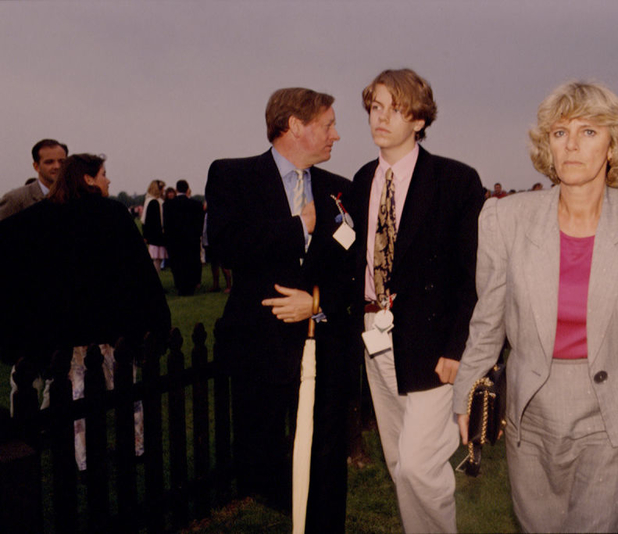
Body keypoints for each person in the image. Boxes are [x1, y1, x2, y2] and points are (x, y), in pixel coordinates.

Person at [453, 81, 618, 532]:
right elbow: (487, 321)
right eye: (560, 133)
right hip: (533, 414)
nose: (572, 145)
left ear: (614, 147)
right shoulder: (506, 218)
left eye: (589, 132)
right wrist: (467, 392)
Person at [206, 87, 354, 532]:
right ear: (294, 125)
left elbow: (353, 269)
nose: (336, 135)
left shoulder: (339, 192)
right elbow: (225, 246)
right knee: (262, 462)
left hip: (325, 344)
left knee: (327, 461)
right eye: (327, 125)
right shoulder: (234, 176)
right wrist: (297, 227)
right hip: (260, 347)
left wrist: (315, 302)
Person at [351, 68, 484, 533]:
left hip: (433, 349)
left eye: (395, 108)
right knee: (398, 463)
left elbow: (472, 275)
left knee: (417, 467)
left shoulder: (456, 181)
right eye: (375, 107)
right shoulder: (362, 179)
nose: (381, 117)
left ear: (420, 119)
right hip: (377, 341)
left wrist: (457, 348)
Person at [0, 153, 171, 468]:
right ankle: (133, 450)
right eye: (104, 173)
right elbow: (139, 272)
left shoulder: (40, 217)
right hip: (114, 326)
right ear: (88, 178)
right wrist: (155, 319)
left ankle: (83, 460)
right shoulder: (114, 213)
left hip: (66, 329)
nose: (108, 180)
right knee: (124, 391)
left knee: (77, 396)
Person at [0, 139, 68, 220]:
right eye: (49, 162)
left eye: (62, 161)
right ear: (36, 166)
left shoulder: (75, 196)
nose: (57, 166)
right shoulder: (15, 200)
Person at [163, 180, 204, 295]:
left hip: (175, 240)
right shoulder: (196, 204)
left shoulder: (168, 205)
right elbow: (200, 222)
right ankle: (191, 286)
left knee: (177, 263)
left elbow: (166, 224)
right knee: (191, 262)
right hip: (191, 239)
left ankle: (180, 285)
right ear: (187, 189)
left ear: (176, 190)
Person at [141, 179, 167, 272]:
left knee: (157, 259)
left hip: (153, 235)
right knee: (157, 259)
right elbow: (154, 221)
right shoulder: (154, 202)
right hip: (156, 236)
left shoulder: (150, 200)